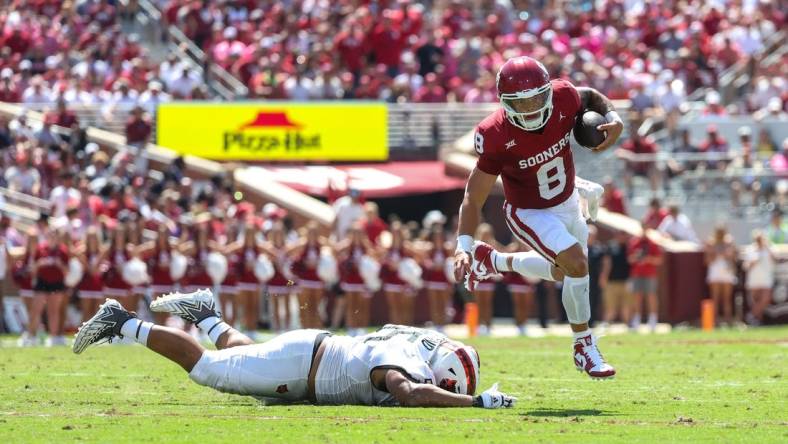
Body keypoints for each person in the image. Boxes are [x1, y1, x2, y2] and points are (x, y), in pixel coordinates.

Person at [454, 56, 622, 379]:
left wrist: (614, 118)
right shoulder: (495, 134)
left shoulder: (563, 96)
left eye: (537, 97)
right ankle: (584, 346)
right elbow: (473, 197)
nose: (531, 108)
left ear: (548, 91)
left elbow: (587, 96)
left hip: (568, 200)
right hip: (528, 210)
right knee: (577, 264)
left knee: (565, 275)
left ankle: (493, 262)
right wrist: (463, 244)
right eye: (522, 102)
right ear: (505, 103)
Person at [73, 290, 515, 409]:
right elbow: (409, 391)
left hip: (308, 356)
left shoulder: (416, 342)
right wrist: (475, 402)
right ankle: (124, 322)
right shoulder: (410, 362)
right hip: (304, 366)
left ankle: (207, 315)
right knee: (209, 370)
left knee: (243, 356)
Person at [289, 222, 327, 329]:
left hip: (318, 280)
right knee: (304, 307)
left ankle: (317, 330)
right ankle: (305, 330)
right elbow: (288, 252)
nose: (312, 235)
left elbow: (334, 250)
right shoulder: (302, 244)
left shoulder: (322, 244)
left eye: (315, 233)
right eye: (310, 232)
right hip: (304, 280)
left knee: (315, 307)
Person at [379, 221, 418, 326]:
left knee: (405, 307)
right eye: (394, 232)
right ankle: (396, 329)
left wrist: (402, 264)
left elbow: (417, 259)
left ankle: (407, 328)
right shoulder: (388, 247)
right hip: (391, 280)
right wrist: (389, 263)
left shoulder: (406, 247)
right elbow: (381, 259)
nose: (396, 234)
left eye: (398, 232)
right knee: (393, 306)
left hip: (404, 281)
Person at [628, 222, 662, 333]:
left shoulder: (652, 243)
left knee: (651, 296)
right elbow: (629, 259)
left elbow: (659, 260)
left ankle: (652, 320)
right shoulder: (634, 242)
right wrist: (637, 258)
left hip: (649, 273)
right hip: (637, 273)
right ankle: (637, 320)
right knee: (637, 297)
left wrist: (648, 259)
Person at [472, 224, 502, 336]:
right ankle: (480, 326)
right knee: (479, 303)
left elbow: (503, 254)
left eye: (488, 234)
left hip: (489, 279)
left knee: (488, 303)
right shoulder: (474, 246)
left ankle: (488, 325)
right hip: (478, 278)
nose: (486, 236)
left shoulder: (493, 246)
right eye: (484, 234)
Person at [704, 225, 737, 326]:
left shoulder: (729, 243)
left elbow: (734, 259)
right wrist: (714, 253)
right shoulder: (711, 244)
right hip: (715, 273)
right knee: (715, 298)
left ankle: (728, 321)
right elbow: (707, 261)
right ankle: (715, 321)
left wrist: (727, 253)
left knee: (727, 299)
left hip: (727, 272)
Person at [423, 225, 453, 332]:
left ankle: (443, 325)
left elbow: (452, 261)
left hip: (444, 280)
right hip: (433, 280)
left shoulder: (447, 249)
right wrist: (432, 265)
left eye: (440, 236)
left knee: (444, 303)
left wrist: (444, 265)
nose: (438, 239)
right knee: (434, 303)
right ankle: (436, 325)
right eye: (436, 237)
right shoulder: (430, 249)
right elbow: (426, 261)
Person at [744, 231, 776, 326]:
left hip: (766, 279)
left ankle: (750, 316)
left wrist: (766, 248)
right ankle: (757, 321)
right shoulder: (751, 249)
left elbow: (774, 259)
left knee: (765, 299)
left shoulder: (768, 248)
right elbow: (746, 266)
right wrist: (753, 262)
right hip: (754, 280)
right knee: (756, 301)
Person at [600, 231, 631, 328]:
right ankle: (607, 322)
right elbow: (606, 263)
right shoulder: (610, 246)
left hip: (626, 281)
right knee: (610, 304)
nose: (622, 237)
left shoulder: (629, 247)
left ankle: (628, 323)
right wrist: (603, 277)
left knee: (627, 304)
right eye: (620, 235)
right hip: (611, 281)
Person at [586, 225, 610, 327]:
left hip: (595, 278)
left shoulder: (600, 248)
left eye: (592, 235)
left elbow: (606, 263)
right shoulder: (581, 247)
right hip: (583, 277)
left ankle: (592, 321)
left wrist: (603, 276)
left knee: (594, 299)